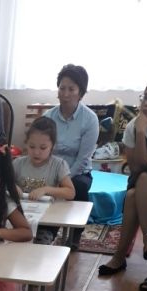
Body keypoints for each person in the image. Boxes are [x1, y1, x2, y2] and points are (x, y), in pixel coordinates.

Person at [98, 77, 147, 279]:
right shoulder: (133, 126)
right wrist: (140, 129)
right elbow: (135, 167)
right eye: (145, 97)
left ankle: (121, 256)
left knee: (138, 187)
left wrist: (142, 131)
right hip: (143, 183)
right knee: (138, 185)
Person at [13, 117, 75, 244]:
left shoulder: (58, 165)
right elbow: (0, 183)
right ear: (26, 143)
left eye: (43, 148)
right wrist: (12, 186)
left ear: (52, 147)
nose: (36, 152)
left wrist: (46, 189)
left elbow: (70, 192)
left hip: (47, 221)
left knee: (40, 244)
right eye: (32, 147)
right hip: (21, 218)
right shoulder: (18, 163)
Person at [44, 64, 99, 204]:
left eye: (71, 89)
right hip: (49, 171)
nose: (65, 94)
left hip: (77, 173)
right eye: (62, 88)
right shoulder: (48, 117)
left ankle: (77, 219)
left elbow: (82, 160)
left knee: (78, 186)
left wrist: (62, 179)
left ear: (81, 93)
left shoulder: (90, 119)